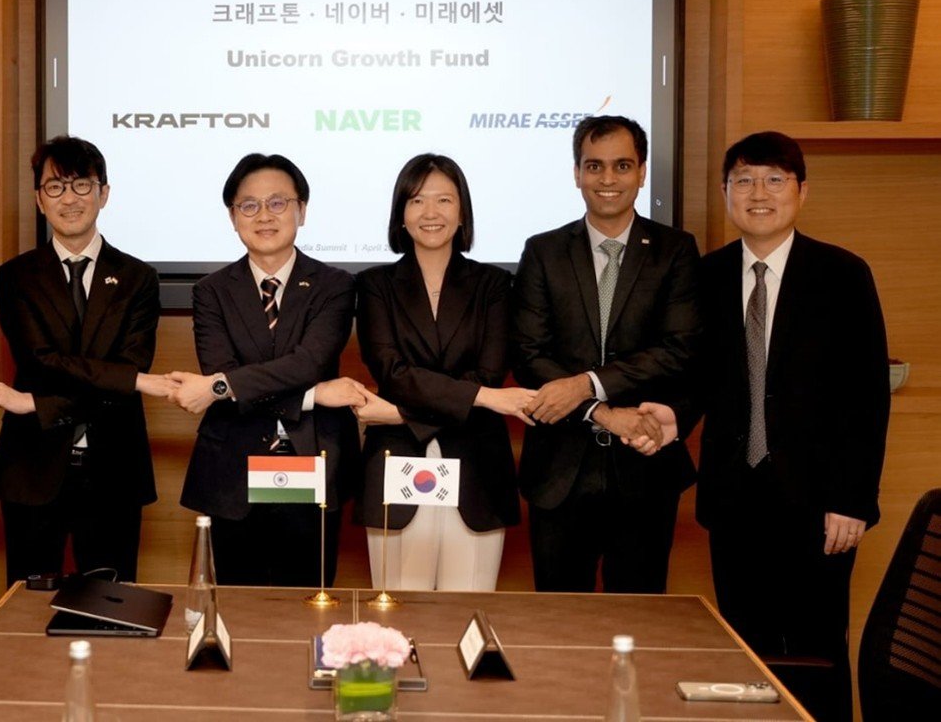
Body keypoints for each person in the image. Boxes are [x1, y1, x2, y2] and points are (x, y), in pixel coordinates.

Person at [691, 131, 889, 722]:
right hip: (733, 500)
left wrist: (852, 500)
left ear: (802, 191)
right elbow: (694, 380)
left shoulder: (843, 274)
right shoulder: (705, 277)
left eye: (775, 180)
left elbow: (867, 397)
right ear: (725, 192)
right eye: (744, 180)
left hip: (821, 506)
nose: (759, 194)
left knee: (818, 653)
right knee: (743, 656)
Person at [511, 115, 700, 593]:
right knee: (559, 622)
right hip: (558, 474)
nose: (607, 179)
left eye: (622, 165)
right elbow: (529, 355)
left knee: (638, 619)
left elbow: (678, 349)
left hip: (644, 471)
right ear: (577, 174)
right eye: (594, 166)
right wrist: (602, 412)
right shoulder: (543, 251)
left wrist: (586, 384)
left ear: (642, 172)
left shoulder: (675, 251)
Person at [0, 136, 172, 584]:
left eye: (82, 185)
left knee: (113, 606)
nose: (69, 199)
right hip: (32, 467)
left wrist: (38, 403)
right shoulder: (16, 276)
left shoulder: (138, 278)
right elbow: (41, 360)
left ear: (103, 193)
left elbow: (130, 365)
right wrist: (130, 381)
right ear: (39, 199)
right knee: (26, 607)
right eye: (55, 187)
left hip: (115, 468)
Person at [173, 153, 365, 586]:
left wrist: (222, 386)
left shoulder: (335, 285)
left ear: (302, 210)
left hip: (312, 461)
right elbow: (222, 369)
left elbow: (308, 362)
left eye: (278, 203)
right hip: (233, 469)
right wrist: (314, 395)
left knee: (310, 602)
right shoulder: (211, 292)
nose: (264, 216)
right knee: (235, 604)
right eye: (249, 205)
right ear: (232, 217)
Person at [351, 154, 535, 591]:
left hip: (477, 468)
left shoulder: (495, 285)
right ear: (400, 214)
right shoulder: (374, 285)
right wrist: (485, 399)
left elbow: (489, 372)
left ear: (462, 211)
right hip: (396, 464)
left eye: (444, 200)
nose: (430, 212)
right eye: (416, 201)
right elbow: (392, 373)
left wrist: (400, 414)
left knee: (467, 613)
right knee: (396, 615)